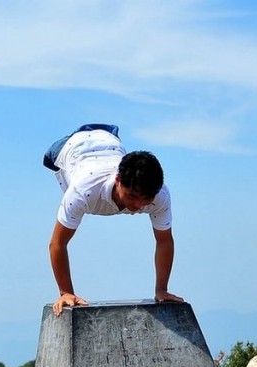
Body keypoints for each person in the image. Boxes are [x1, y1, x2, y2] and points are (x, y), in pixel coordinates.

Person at [43, 123, 184, 315]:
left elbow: (164, 240)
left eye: (147, 200)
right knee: (53, 156)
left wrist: (162, 290)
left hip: (110, 142)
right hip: (71, 148)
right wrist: (66, 292)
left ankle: (103, 132)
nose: (139, 206)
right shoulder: (83, 191)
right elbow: (57, 243)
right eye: (132, 197)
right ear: (118, 180)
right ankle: (84, 132)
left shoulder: (161, 196)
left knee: (118, 150)